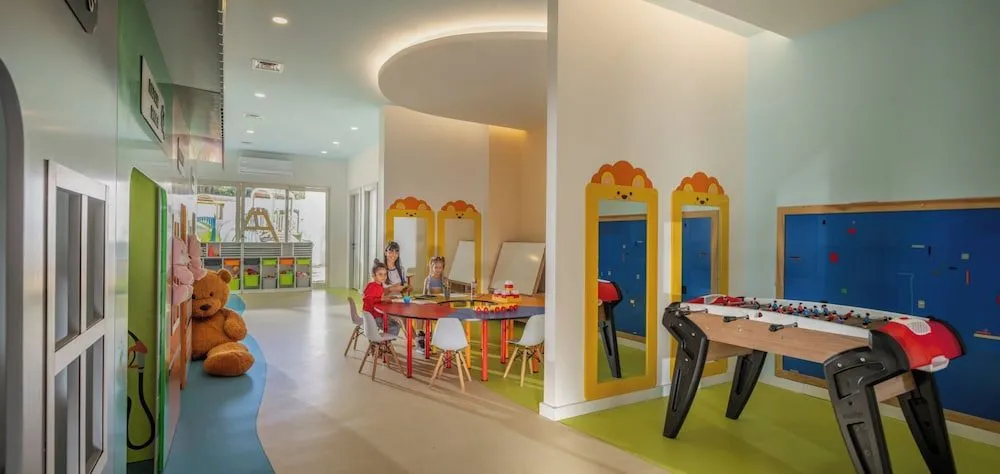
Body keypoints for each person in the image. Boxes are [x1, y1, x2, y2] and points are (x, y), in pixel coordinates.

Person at [362, 259, 400, 336]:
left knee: (396, 324)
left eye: (385, 274)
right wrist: (382, 299)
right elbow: (367, 300)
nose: (383, 277)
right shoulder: (372, 286)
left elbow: (377, 298)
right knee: (394, 327)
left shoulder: (380, 285)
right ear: (374, 275)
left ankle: (385, 341)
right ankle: (384, 341)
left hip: (378, 314)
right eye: (380, 274)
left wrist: (387, 297)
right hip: (373, 317)